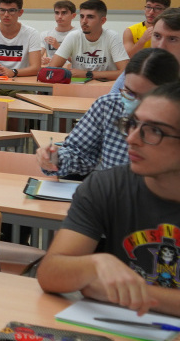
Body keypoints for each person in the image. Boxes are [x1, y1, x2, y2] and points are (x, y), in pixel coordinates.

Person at [37, 81, 180, 317]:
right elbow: (50, 274)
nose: (131, 139)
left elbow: (91, 287)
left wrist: (127, 293)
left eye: (155, 130)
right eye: (132, 125)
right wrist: (95, 264)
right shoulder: (106, 186)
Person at [38, 49, 178, 179]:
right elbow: (78, 152)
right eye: (129, 92)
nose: (131, 139)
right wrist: (54, 157)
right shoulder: (109, 106)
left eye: (146, 96)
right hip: (114, 195)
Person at [48, 0, 129, 81]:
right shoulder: (73, 36)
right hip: (77, 86)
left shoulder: (112, 37)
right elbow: (51, 69)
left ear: (102, 21)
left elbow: (125, 73)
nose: (84, 21)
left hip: (104, 87)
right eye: (82, 16)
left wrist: (88, 74)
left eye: (90, 17)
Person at [110, 8, 180, 95]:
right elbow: (112, 101)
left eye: (172, 39)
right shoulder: (139, 67)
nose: (160, 46)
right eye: (157, 36)